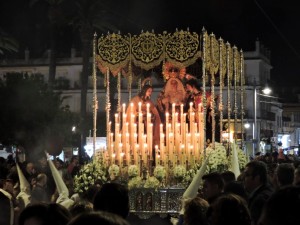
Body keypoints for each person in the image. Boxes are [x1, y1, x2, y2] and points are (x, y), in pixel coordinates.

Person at [126, 83, 162, 148]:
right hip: (137, 122)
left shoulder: (149, 101)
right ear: (144, 90)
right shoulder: (136, 99)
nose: (150, 93)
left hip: (146, 123)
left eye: (151, 91)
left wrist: (150, 115)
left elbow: (154, 112)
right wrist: (139, 113)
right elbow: (131, 111)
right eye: (149, 91)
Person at [243, 160, 274, 225]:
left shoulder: (260, 200)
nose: (243, 178)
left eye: (247, 175)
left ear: (257, 178)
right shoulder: (268, 190)